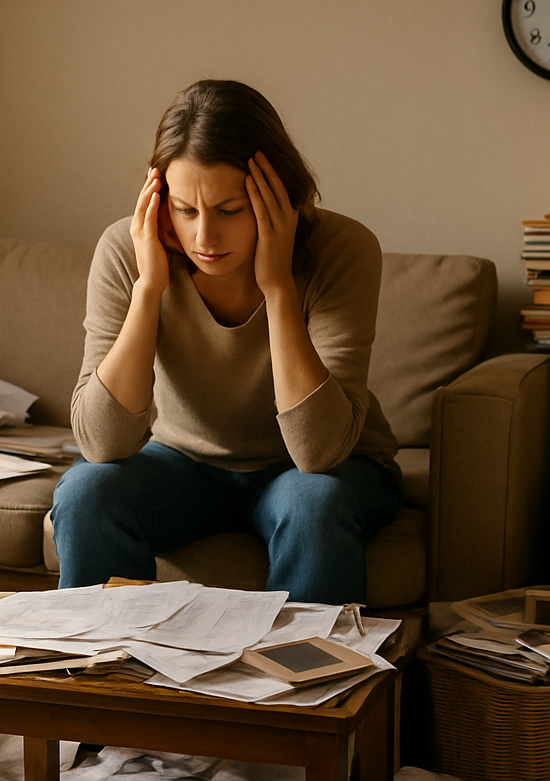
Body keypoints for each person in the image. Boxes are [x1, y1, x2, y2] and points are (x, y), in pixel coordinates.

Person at [50, 79, 402, 603]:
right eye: (186, 210)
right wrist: (149, 287)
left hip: (322, 466)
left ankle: (304, 683)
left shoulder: (344, 250)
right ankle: (115, 675)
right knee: (84, 492)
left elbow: (319, 452)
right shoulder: (127, 250)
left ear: (279, 194)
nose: (204, 238)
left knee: (313, 503)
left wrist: (278, 287)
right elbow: (102, 444)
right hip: (184, 464)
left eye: (230, 210)